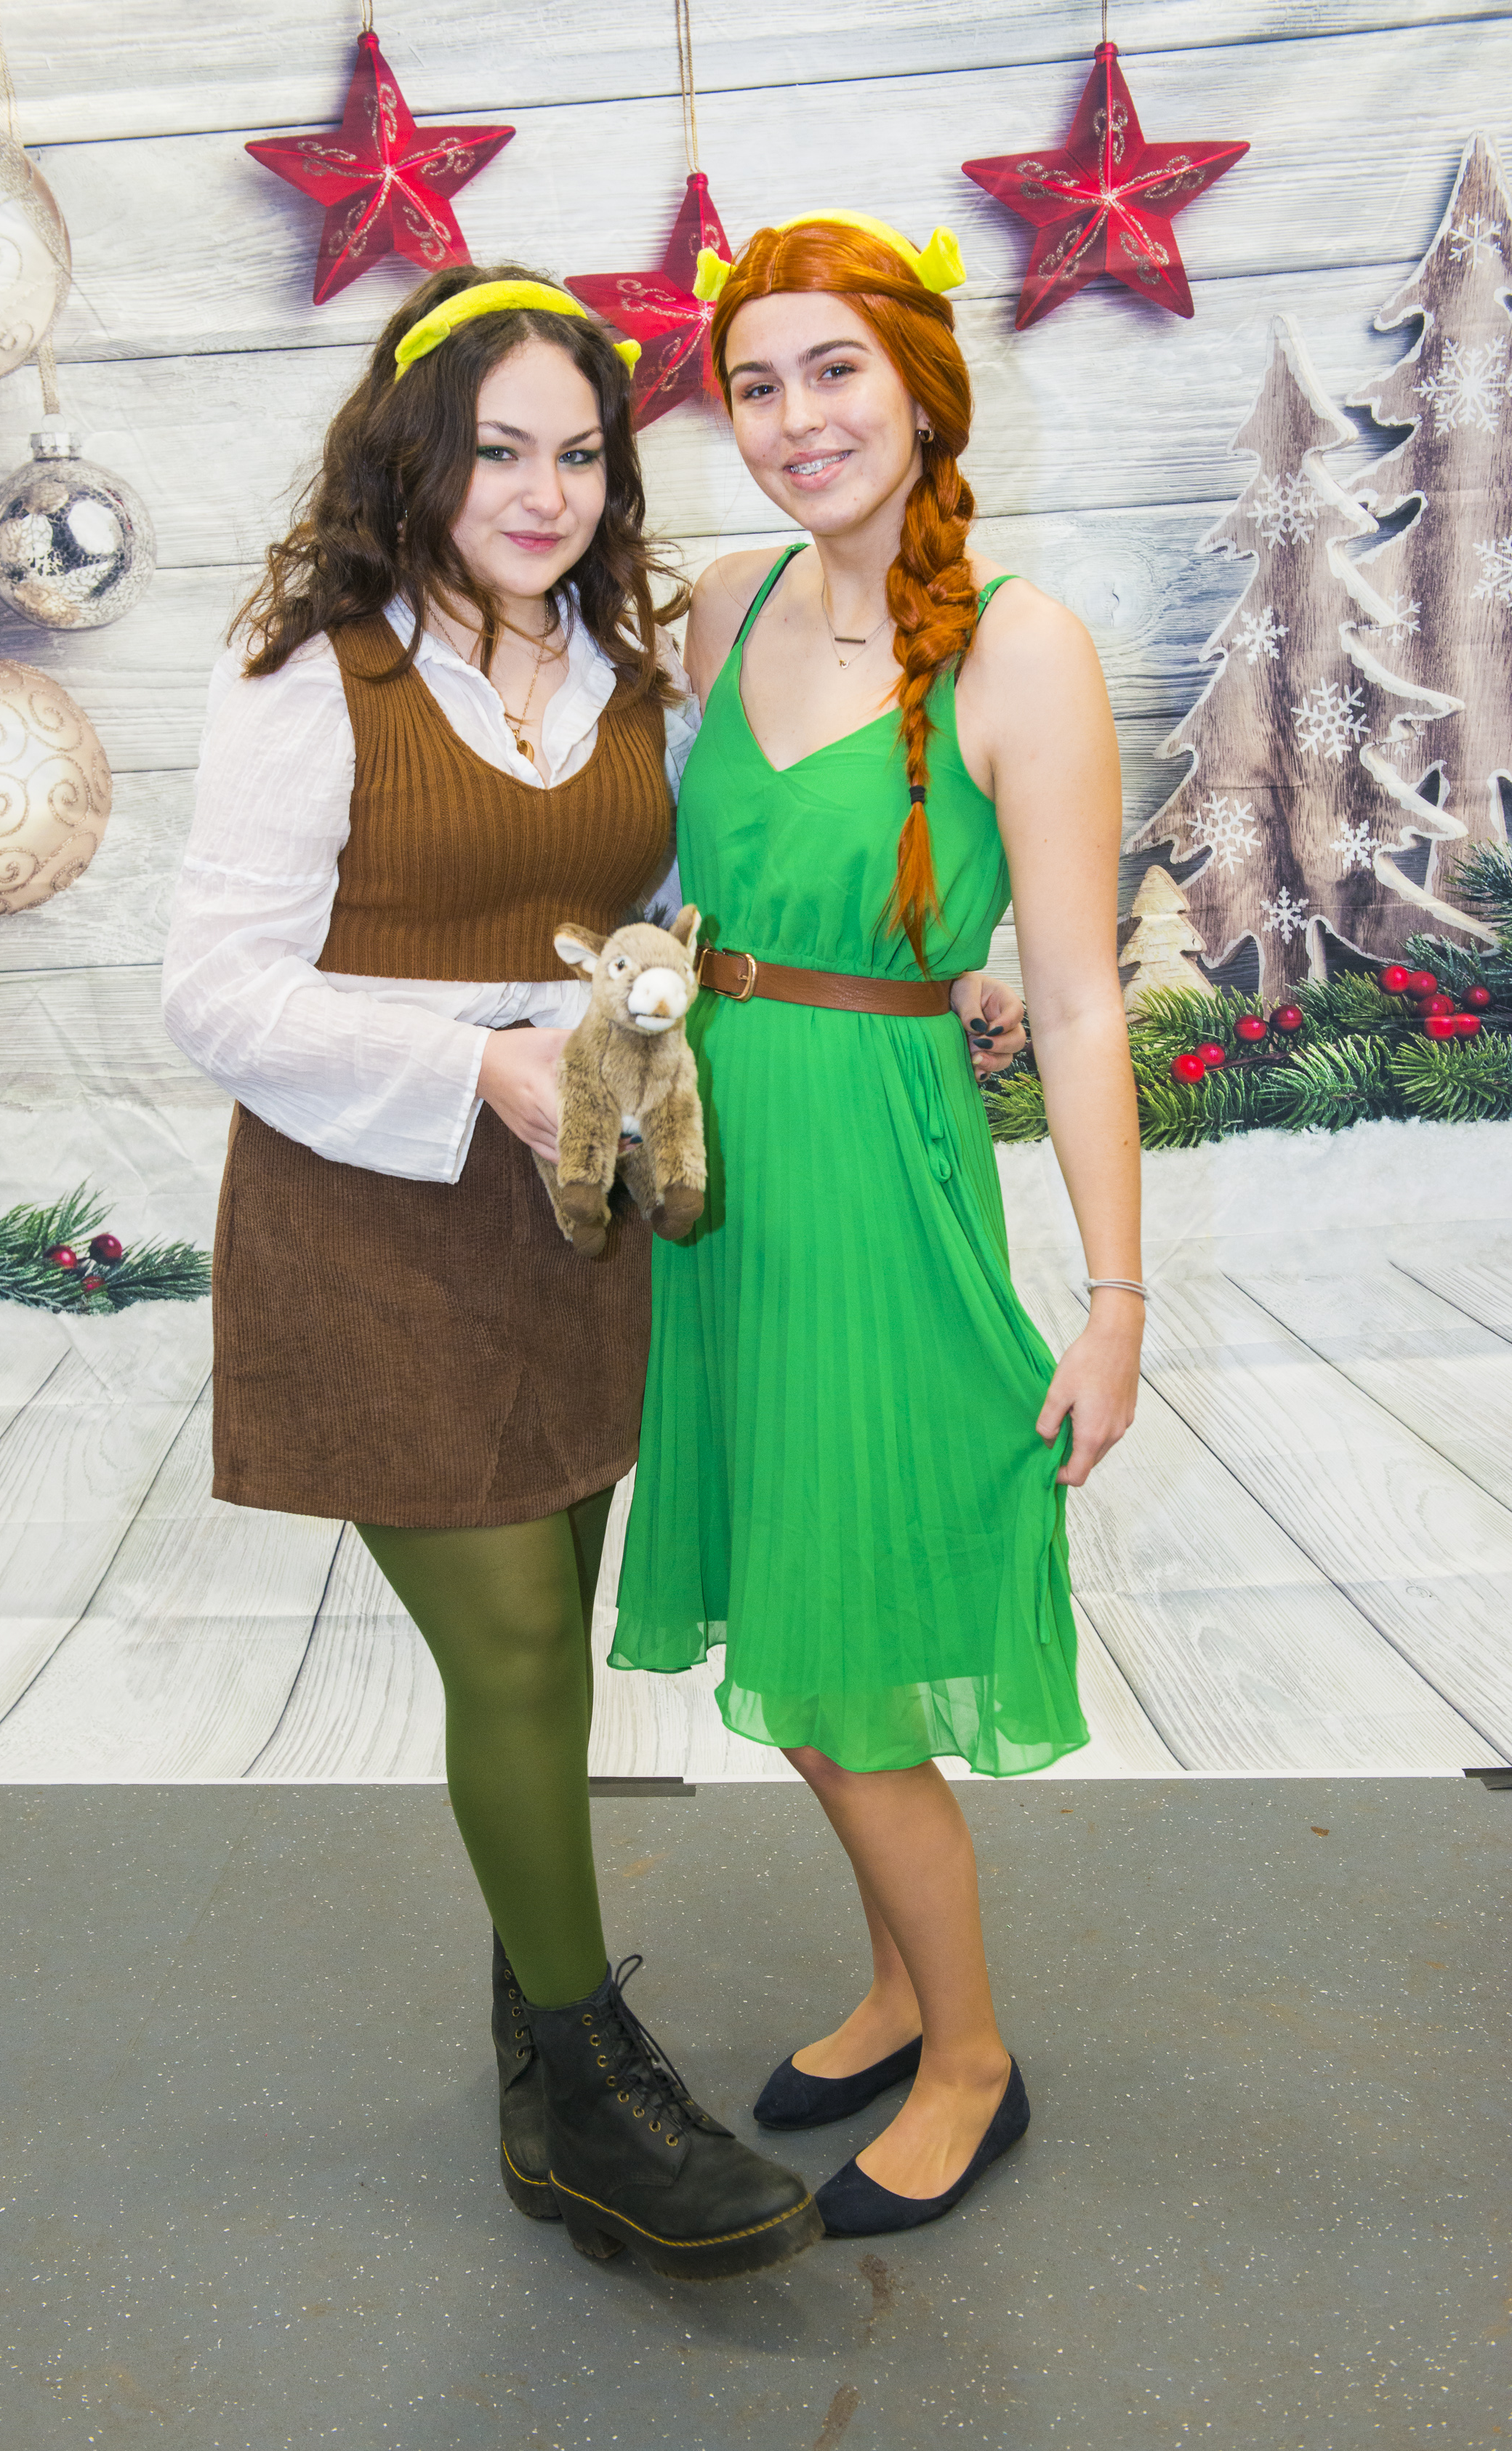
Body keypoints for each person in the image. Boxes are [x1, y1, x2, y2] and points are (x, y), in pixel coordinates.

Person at [161, 265, 835, 2282]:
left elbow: (672, 913)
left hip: (576, 1217)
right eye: (497, 452)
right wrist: (479, 1067)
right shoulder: (317, 676)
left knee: (545, 1630)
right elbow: (215, 991)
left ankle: (536, 2052)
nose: (544, 494)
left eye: (580, 454)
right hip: (373, 1219)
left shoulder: (634, 672)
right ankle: (592, 2085)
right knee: (520, 1650)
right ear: (413, 456)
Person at [611, 213, 1144, 2242]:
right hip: (723, 1187)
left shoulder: (1020, 647)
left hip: (874, 1183)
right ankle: (904, 1984)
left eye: (833, 369)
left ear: (920, 386)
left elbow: (1073, 997)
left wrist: (1114, 1297)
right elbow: (679, 876)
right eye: (754, 384)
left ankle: (974, 2061)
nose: (793, 418)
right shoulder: (724, 603)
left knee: (842, 1673)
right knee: (799, 1611)